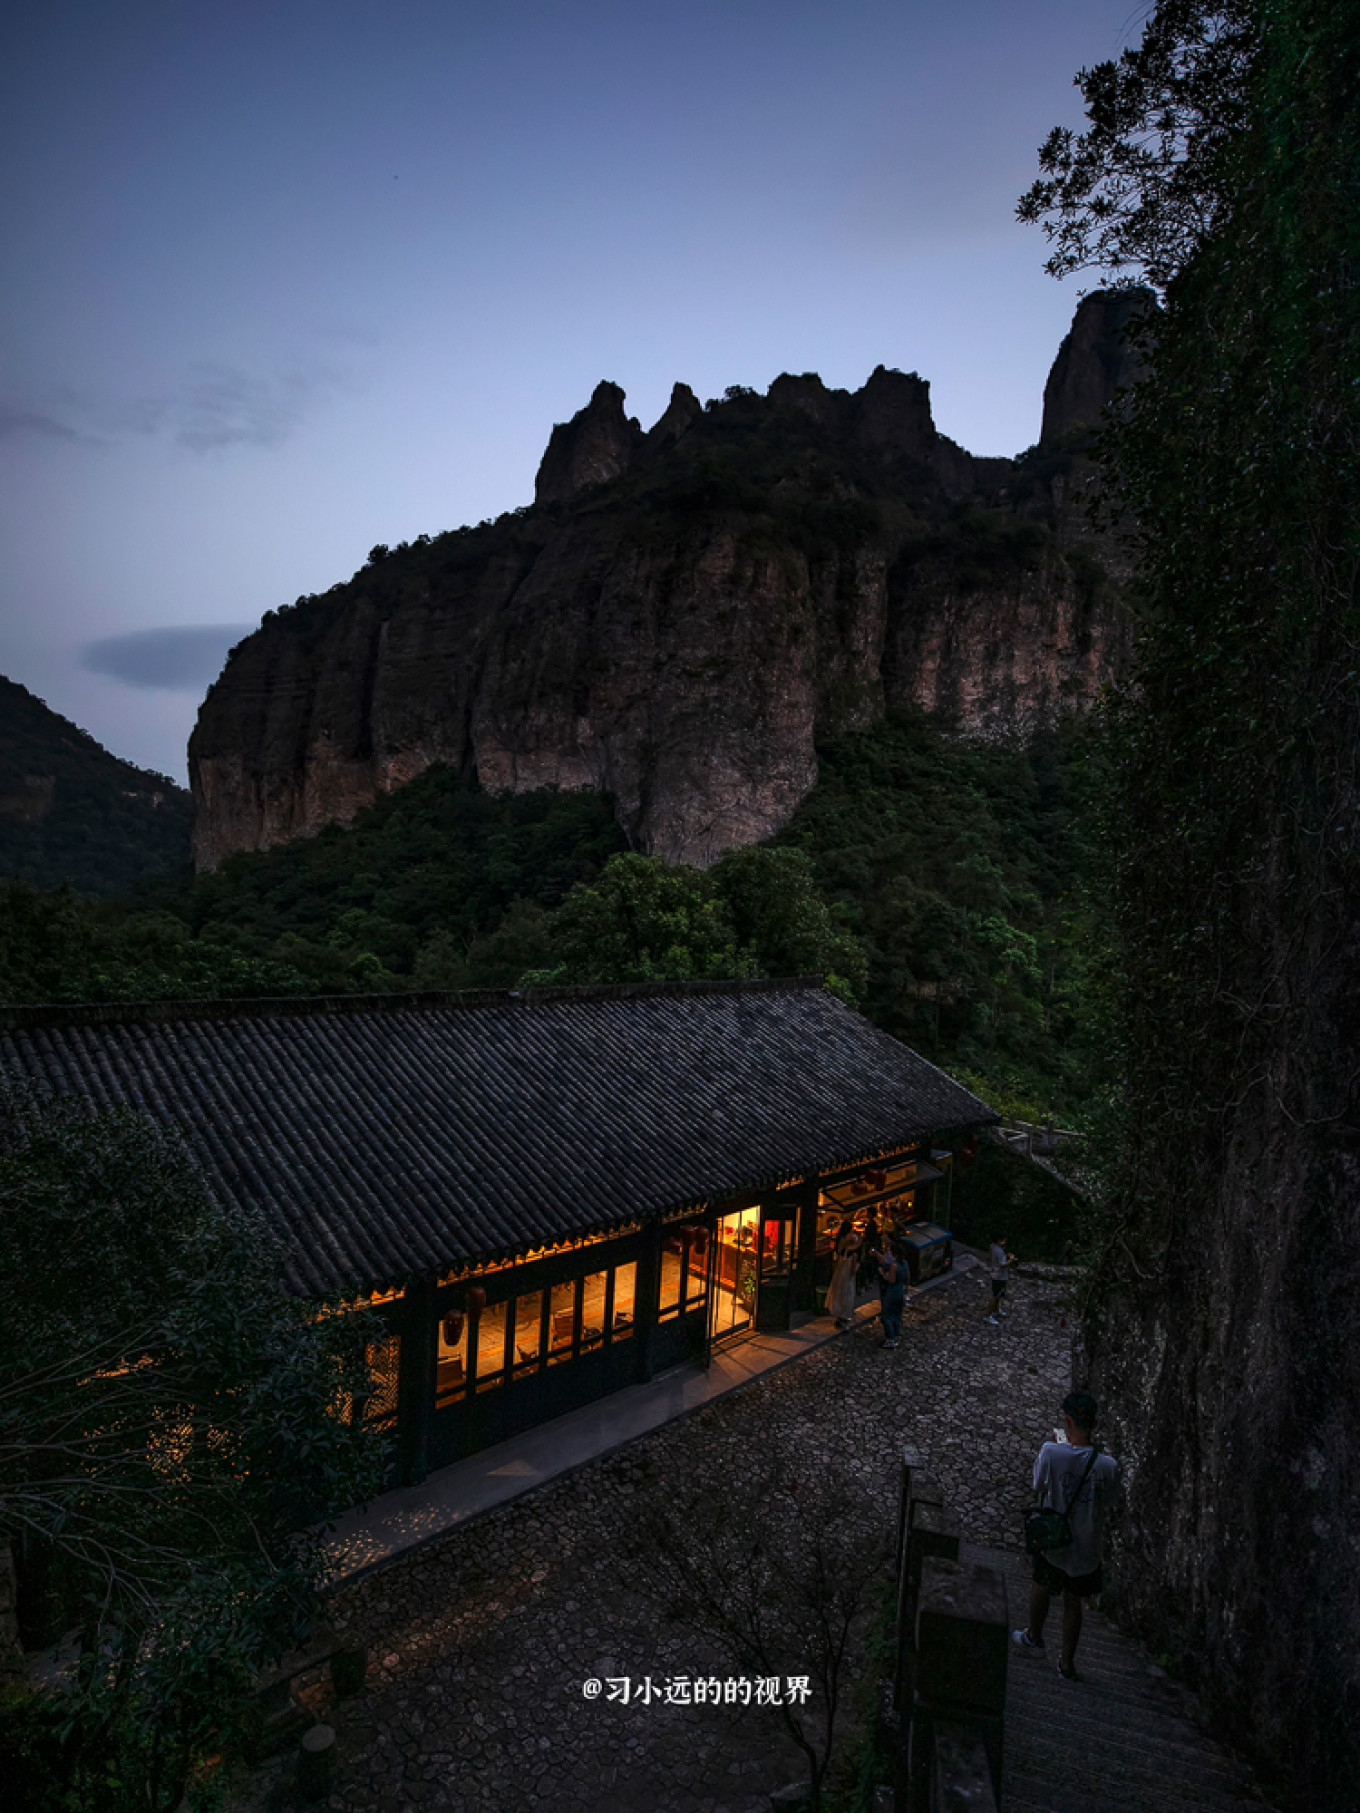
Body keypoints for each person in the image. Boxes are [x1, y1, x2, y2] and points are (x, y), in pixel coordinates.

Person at [1012, 1391, 1121, 1680]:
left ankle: (1034, 1637)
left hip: (1055, 1540)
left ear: (1068, 1421)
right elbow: (1110, 1501)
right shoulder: (1108, 1466)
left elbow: (1038, 1483)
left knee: (1042, 1584)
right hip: (1086, 1547)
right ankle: (1067, 1664)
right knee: (1074, 1603)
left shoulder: (1051, 1452)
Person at [869, 1235, 905, 1350]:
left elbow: (891, 1280)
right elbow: (907, 1278)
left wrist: (882, 1273)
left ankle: (890, 1339)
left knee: (886, 1316)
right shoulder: (905, 1264)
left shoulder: (894, 1266)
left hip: (892, 1292)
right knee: (896, 1314)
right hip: (900, 1291)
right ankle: (896, 1334)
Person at [826, 1224, 861, 1329]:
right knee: (846, 1296)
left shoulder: (842, 1252)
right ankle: (843, 1316)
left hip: (839, 1276)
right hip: (847, 1279)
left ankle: (838, 1315)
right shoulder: (854, 1256)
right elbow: (853, 1271)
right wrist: (858, 1266)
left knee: (838, 1294)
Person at [986, 1234, 1011, 1324]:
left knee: (999, 1295)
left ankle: (996, 1310)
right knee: (995, 1295)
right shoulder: (998, 1251)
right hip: (999, 1276)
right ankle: (988, 1315)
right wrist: (1010, 1260)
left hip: (995, 1273)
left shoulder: (992, 1246)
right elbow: (1003, 1265)